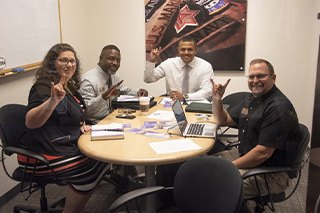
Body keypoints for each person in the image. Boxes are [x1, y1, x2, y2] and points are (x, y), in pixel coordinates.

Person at [18, 43, 110, 213]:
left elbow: (72, 115)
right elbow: (30, 122)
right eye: (63, 61)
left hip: (61, 143)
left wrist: (81, 125)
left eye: (72, 61)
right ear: (53, 63)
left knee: (104, 156)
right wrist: (52, 101)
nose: (69, 65)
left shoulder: (70, 86)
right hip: (39, 154)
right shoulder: (44, 87)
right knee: (92, 164)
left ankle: (77, 207)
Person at [211, 58, 299, 201]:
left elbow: (262, 154)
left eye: (261, 76)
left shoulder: (277, 107)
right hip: (246, 156)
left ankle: (243, 207)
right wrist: (216, 99)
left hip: (269, 173)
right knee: (203, 166)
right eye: (251, 77)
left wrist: (228, 167)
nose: (255, 80)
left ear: (273, 78)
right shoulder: (252, 98)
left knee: (211, 184)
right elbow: (223, 120)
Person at [79, 44, 148, 125]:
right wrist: (103, 97)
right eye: (111, 59)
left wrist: (138, 92)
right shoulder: (88, 80)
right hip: (95, 123)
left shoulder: (114, 75)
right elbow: (85, 111)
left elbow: (124, 91)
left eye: (118, 60)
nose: (115, 63)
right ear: (101, 59)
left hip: (112, 118)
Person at [144, 36, 213, 102]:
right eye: (183, 49)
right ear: (178, 50)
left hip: (195, 103)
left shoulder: (205, 66)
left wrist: (185, 97)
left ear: (195, 50)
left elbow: (208, 92)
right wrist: (152, 61)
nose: (186, 53)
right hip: (173, 103)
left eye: (190, 49)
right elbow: (148, 79)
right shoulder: (169, 63)